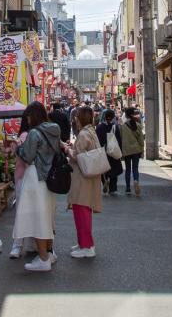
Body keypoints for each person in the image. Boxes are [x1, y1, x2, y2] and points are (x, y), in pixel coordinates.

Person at [15, 101, 62, 272]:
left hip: (35, 176)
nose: (26, 119)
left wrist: (18, 147)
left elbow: (27, 156)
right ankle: (49, 253)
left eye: (28, 116)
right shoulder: (55, 129)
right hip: (50, 178)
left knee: (36, 218)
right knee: (47, 217)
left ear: (32, 115)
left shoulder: (34, 133)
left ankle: (43, 259)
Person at [66, 104, 102, 258]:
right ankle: (84, 243)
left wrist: (67, 149)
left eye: (76, 117)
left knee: (82, 214)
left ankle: (87, 246)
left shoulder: (83, 134)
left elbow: (78, 155)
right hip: (89, 177)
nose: (75, 120)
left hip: (82, 179)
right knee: (83, 213)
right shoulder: (91, 132)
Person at [9, 108, 34, 259]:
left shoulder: (23, 135)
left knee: (22, 211)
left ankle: (18, 245)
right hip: (30, 177)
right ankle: (26, 244)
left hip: (22, 177)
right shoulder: (27, 135)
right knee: (33, 212)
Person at [95, 109, 122, 195]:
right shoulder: (115, 127)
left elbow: (97, 140)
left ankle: (105, 182)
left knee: (103, 169)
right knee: (114, 169)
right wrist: (120, 151)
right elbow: (119, 140)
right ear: (113, 117)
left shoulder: (99, 127)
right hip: (113, 151)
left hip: (103, 151)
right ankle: (113, 189)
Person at [120, 107, 145, 196]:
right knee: (135, 168)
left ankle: (127, 188)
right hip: (136, 150)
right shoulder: (138, 125)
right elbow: (141, 140)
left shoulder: (123, 127)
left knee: (127, 169)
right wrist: (142, 150)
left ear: (126, 115)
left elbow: (121, 139)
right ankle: (135, 181)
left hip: (126, 151)